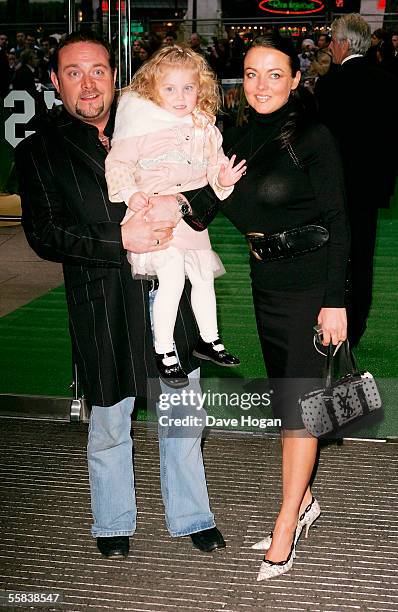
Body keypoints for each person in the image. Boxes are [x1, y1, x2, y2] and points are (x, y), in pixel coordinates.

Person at [14, 30, 226, 559]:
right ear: (56, 82)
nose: (88, 84)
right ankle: (112, 520)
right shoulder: (41, 150)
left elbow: (208, 192)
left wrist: (185, 204)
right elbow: (45, 233)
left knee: (182, 411)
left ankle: (192, 514)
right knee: (110, 418)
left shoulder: (165, 119)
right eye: (73, 72)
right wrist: (120, 238)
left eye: (98, 70)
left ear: (116, 73)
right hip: (101, 298)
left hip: (168, 292)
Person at [220, 33, 349, 579]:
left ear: (296, 80)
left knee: (299, 409)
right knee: (287, 402)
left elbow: (340, 223)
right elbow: (235, 207)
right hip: (265, 282)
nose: (262, 85)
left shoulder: (313, 136)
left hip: (309, 285)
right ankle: (307, 500)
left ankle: (286, 523)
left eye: (275, 74)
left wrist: (335, 303)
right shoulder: (237, 135)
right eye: (251, 74)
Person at [105, 45, 244, 387]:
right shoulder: (140, 125)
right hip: (153, 215)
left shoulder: (206, 128)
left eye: (188, 88)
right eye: (170, 88)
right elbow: (118, 162)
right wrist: (130, 194)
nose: (180, 96)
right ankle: (164, 351)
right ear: (153, 89)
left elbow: (215, 169)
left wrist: (223, 180)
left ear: (202, 89)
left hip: (191, 218)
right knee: (172, 279)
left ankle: (209, 339)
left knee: (203, 277)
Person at [315, 14, 398, 347]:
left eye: (333, 39)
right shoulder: (389, 82)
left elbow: (321, 145)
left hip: (334, 191)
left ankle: (330, 324)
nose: (330, 45)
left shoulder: (330, 85)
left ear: (344, 43)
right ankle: (356, 327)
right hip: (369, 191)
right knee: (363, 258)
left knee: (334, 257)